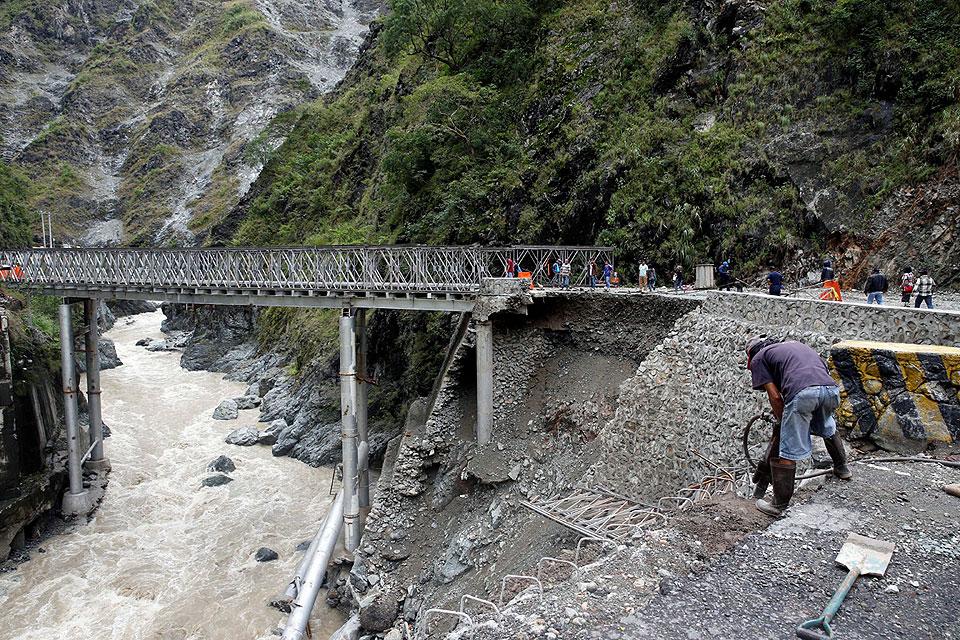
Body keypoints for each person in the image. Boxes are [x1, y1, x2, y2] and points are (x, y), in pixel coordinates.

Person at [746, 337, 851, 517]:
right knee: (827, 426)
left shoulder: (759, 358)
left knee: (789, 445)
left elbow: (776, 397)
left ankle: (778, 505)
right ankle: (842, 468)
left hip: (804, 393)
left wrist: (782, 420)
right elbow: (818, 373)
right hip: (830, 390)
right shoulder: (796, 347)